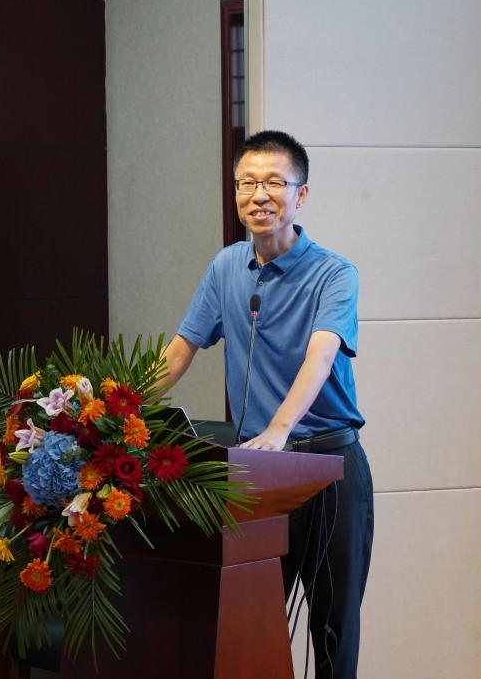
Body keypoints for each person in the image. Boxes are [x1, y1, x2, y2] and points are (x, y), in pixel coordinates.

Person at [160, 130, 373, 678]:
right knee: (248, 625)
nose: (259, 195)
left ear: (301, 195)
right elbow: (180, 352)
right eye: (247, 183)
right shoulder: (226, 267)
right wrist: (113, 407)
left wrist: (279, 430)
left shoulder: (334, 273)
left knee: (333, 632)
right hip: (259, 473)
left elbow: (320, 358)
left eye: (274, 182)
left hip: (328, 468)